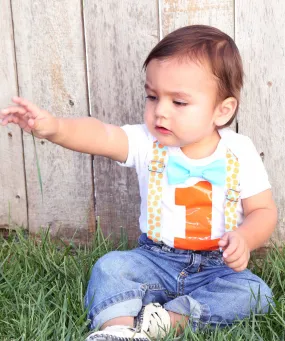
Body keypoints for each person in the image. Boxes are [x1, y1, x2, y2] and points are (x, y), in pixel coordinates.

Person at [0, 25, 277, 341]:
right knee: (111, 268)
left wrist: (244, 237)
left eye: (179, 102)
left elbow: (263, 211)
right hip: (155, 259)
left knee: (254, 293)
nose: (160, 111)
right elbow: (102, 135)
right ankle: (116, 329)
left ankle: (164, 323)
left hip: (217, 268)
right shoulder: (147, 142)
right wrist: (55, 128)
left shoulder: (240, 152)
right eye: (153, 96)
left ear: (222, 110)